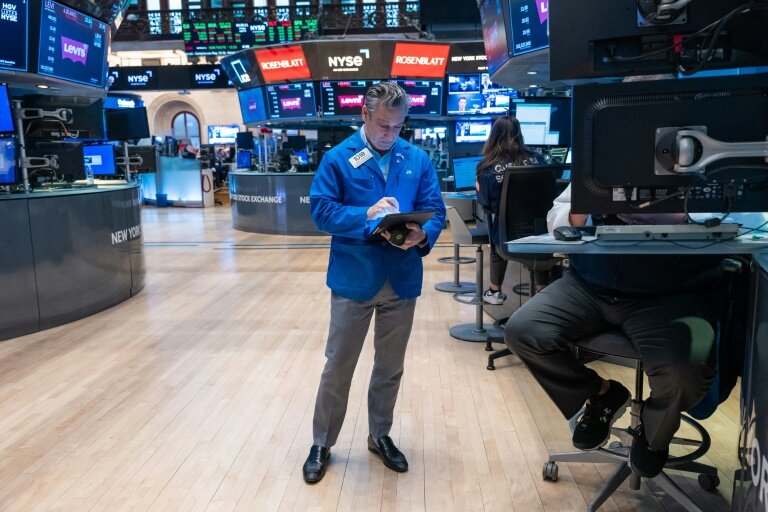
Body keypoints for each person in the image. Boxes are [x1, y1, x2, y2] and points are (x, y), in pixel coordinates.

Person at [504, 183, 724, 478]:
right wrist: (580, 209)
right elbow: (557, 216)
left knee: (683, 373)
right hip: (590, 284)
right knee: (524, 330)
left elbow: (731, 217)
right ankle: (603, 393)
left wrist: (679, 214)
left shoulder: (699, 159)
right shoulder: (603, 158)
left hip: (668, 293)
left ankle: (654, 431)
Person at [303, 82, 446, 484]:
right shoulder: (338, 158)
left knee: (390, 367)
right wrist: (366, 214)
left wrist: (425, 234)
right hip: (354, 279)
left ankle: (379, 435)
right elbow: (322, 212)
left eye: (398, 126)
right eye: (383, 124)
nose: (389, 134)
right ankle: (322, 443)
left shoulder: (416, 158)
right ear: (364, 115)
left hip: (401, 279)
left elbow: (435, 210)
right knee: (339, 366)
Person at [475, 116, 545, 305]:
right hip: (542, 236)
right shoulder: (539, 160)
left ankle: (494, 291)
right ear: (519, 134)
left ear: (493, 136)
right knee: (541, 235)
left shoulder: (487, 167)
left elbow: (486, 205)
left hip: (506, 238)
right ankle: (543, 290)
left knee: (497, 229)